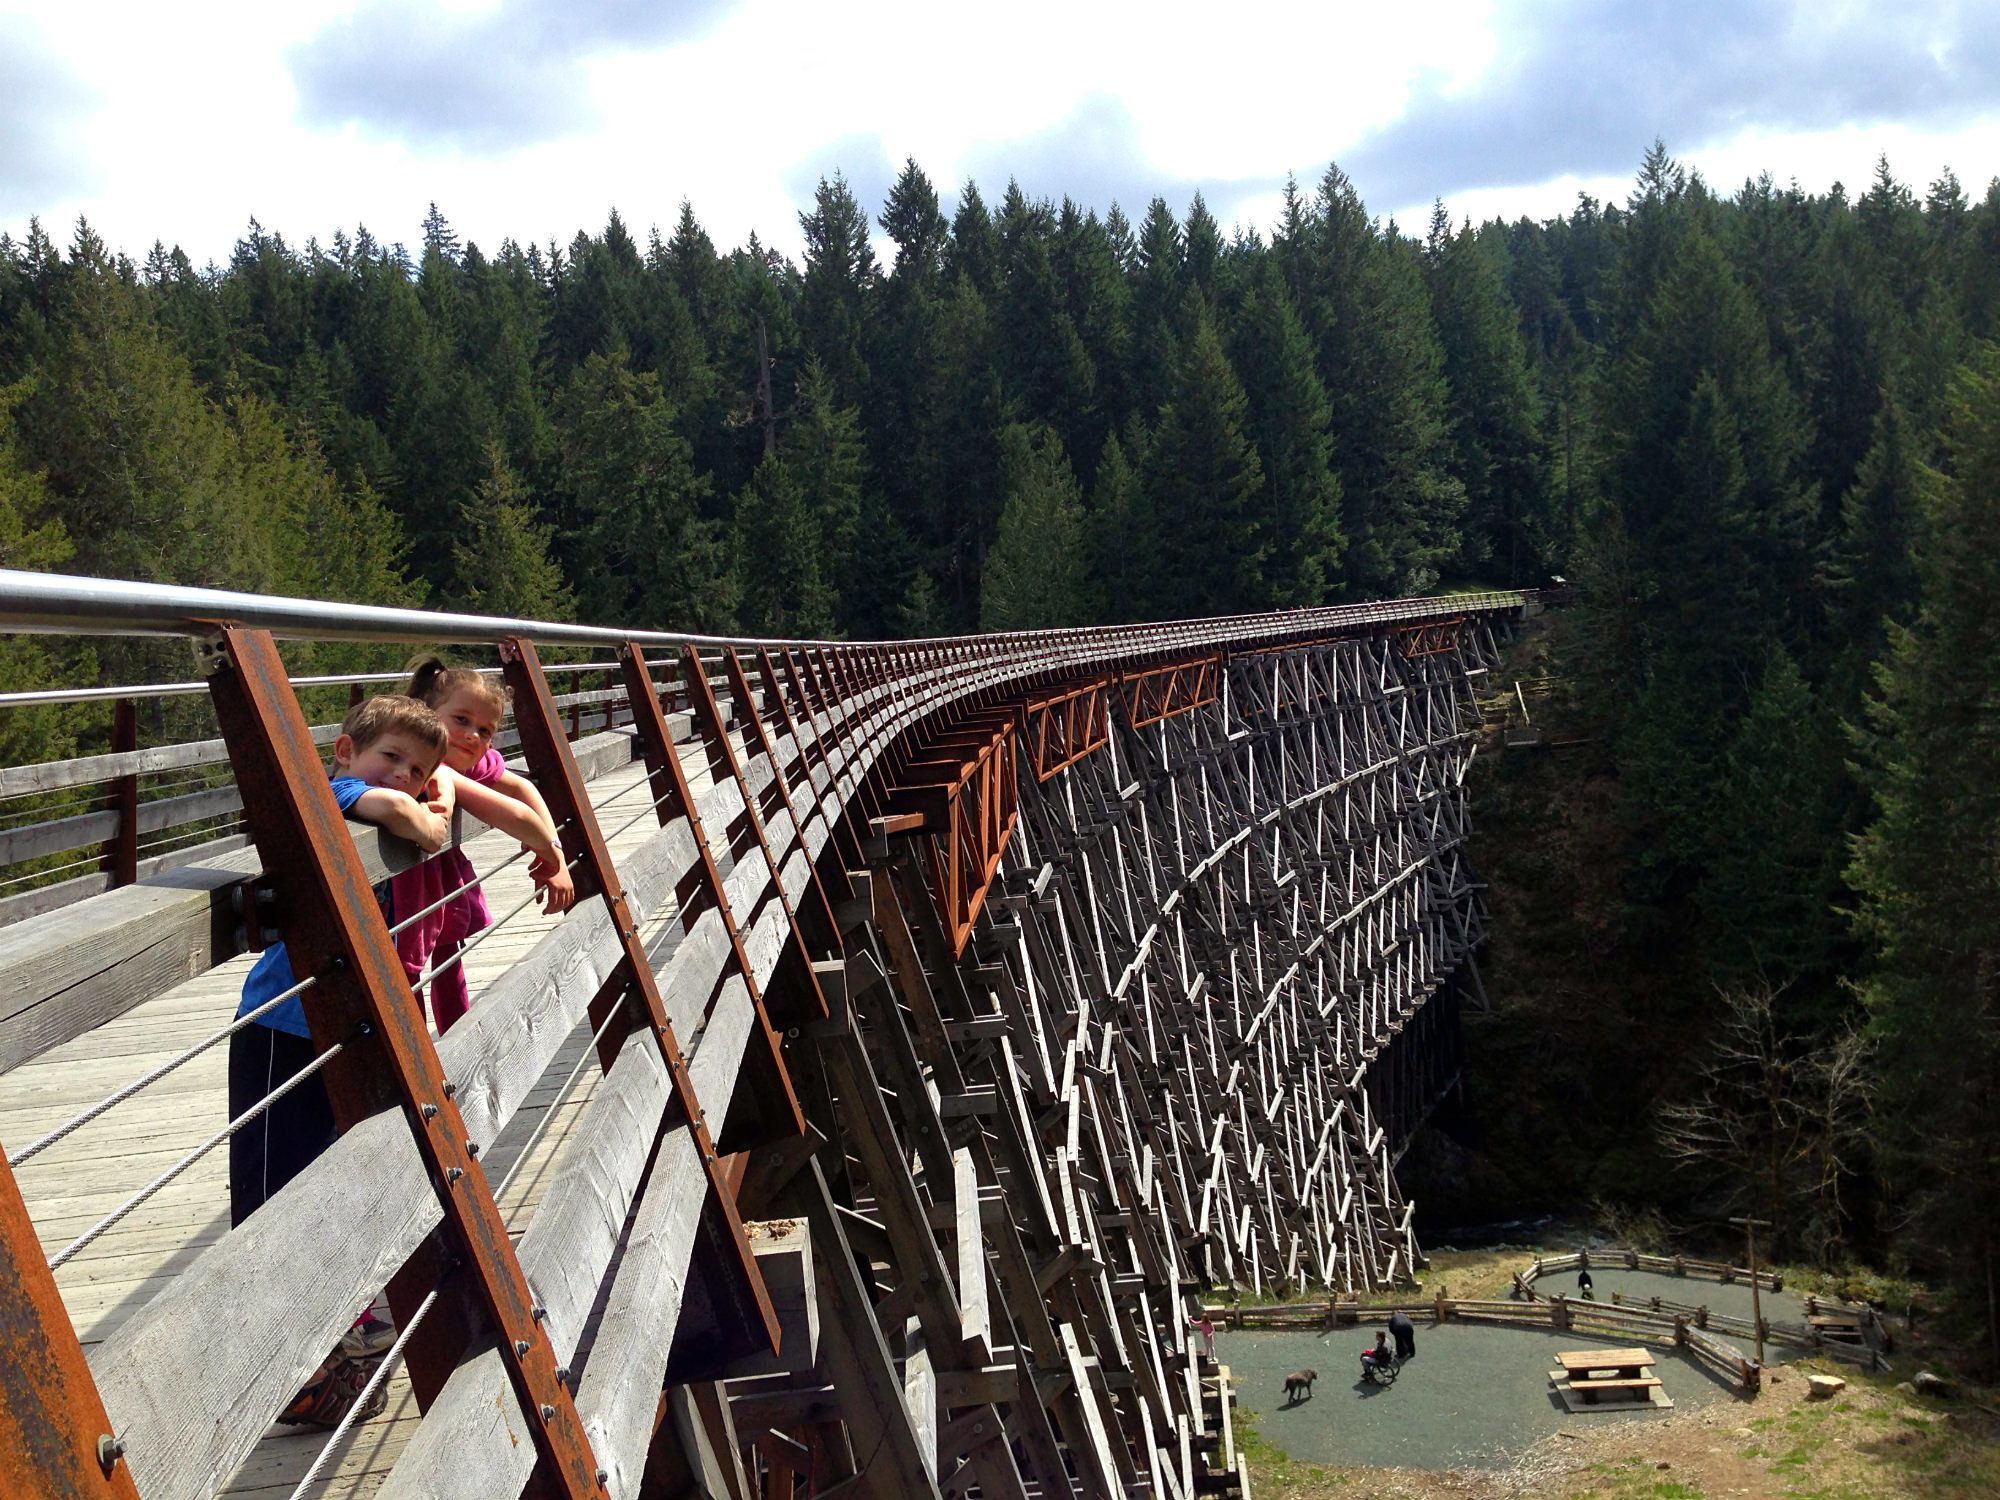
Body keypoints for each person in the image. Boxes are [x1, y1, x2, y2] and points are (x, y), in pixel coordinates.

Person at [227, 695, 452, 1427]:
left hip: (337, 1025)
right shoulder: (338, 793)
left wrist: (430, 796)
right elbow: (398, 813)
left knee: (326, 1182)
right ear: (344, 752)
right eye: (392, 756)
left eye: (420, 768)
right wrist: (425, 809)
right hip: (281, 1029)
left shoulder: (371, 790)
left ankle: (319, 1344)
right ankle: (275, 1367)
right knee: (269, 1198)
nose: (405, 774)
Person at [398, 656, 575, 1033]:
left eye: (486, 730)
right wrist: (552, 857)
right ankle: (414, 1054)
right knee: (407, 966)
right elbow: (514, 815)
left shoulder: (461, 761)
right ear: (426, 713)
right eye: (461, 720)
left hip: (436, 875)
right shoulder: (422, 762)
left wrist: (554, 851)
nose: (473, 736)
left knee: (449, 952)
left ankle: (455, 1040)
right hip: (401, 886)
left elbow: (522, 787)